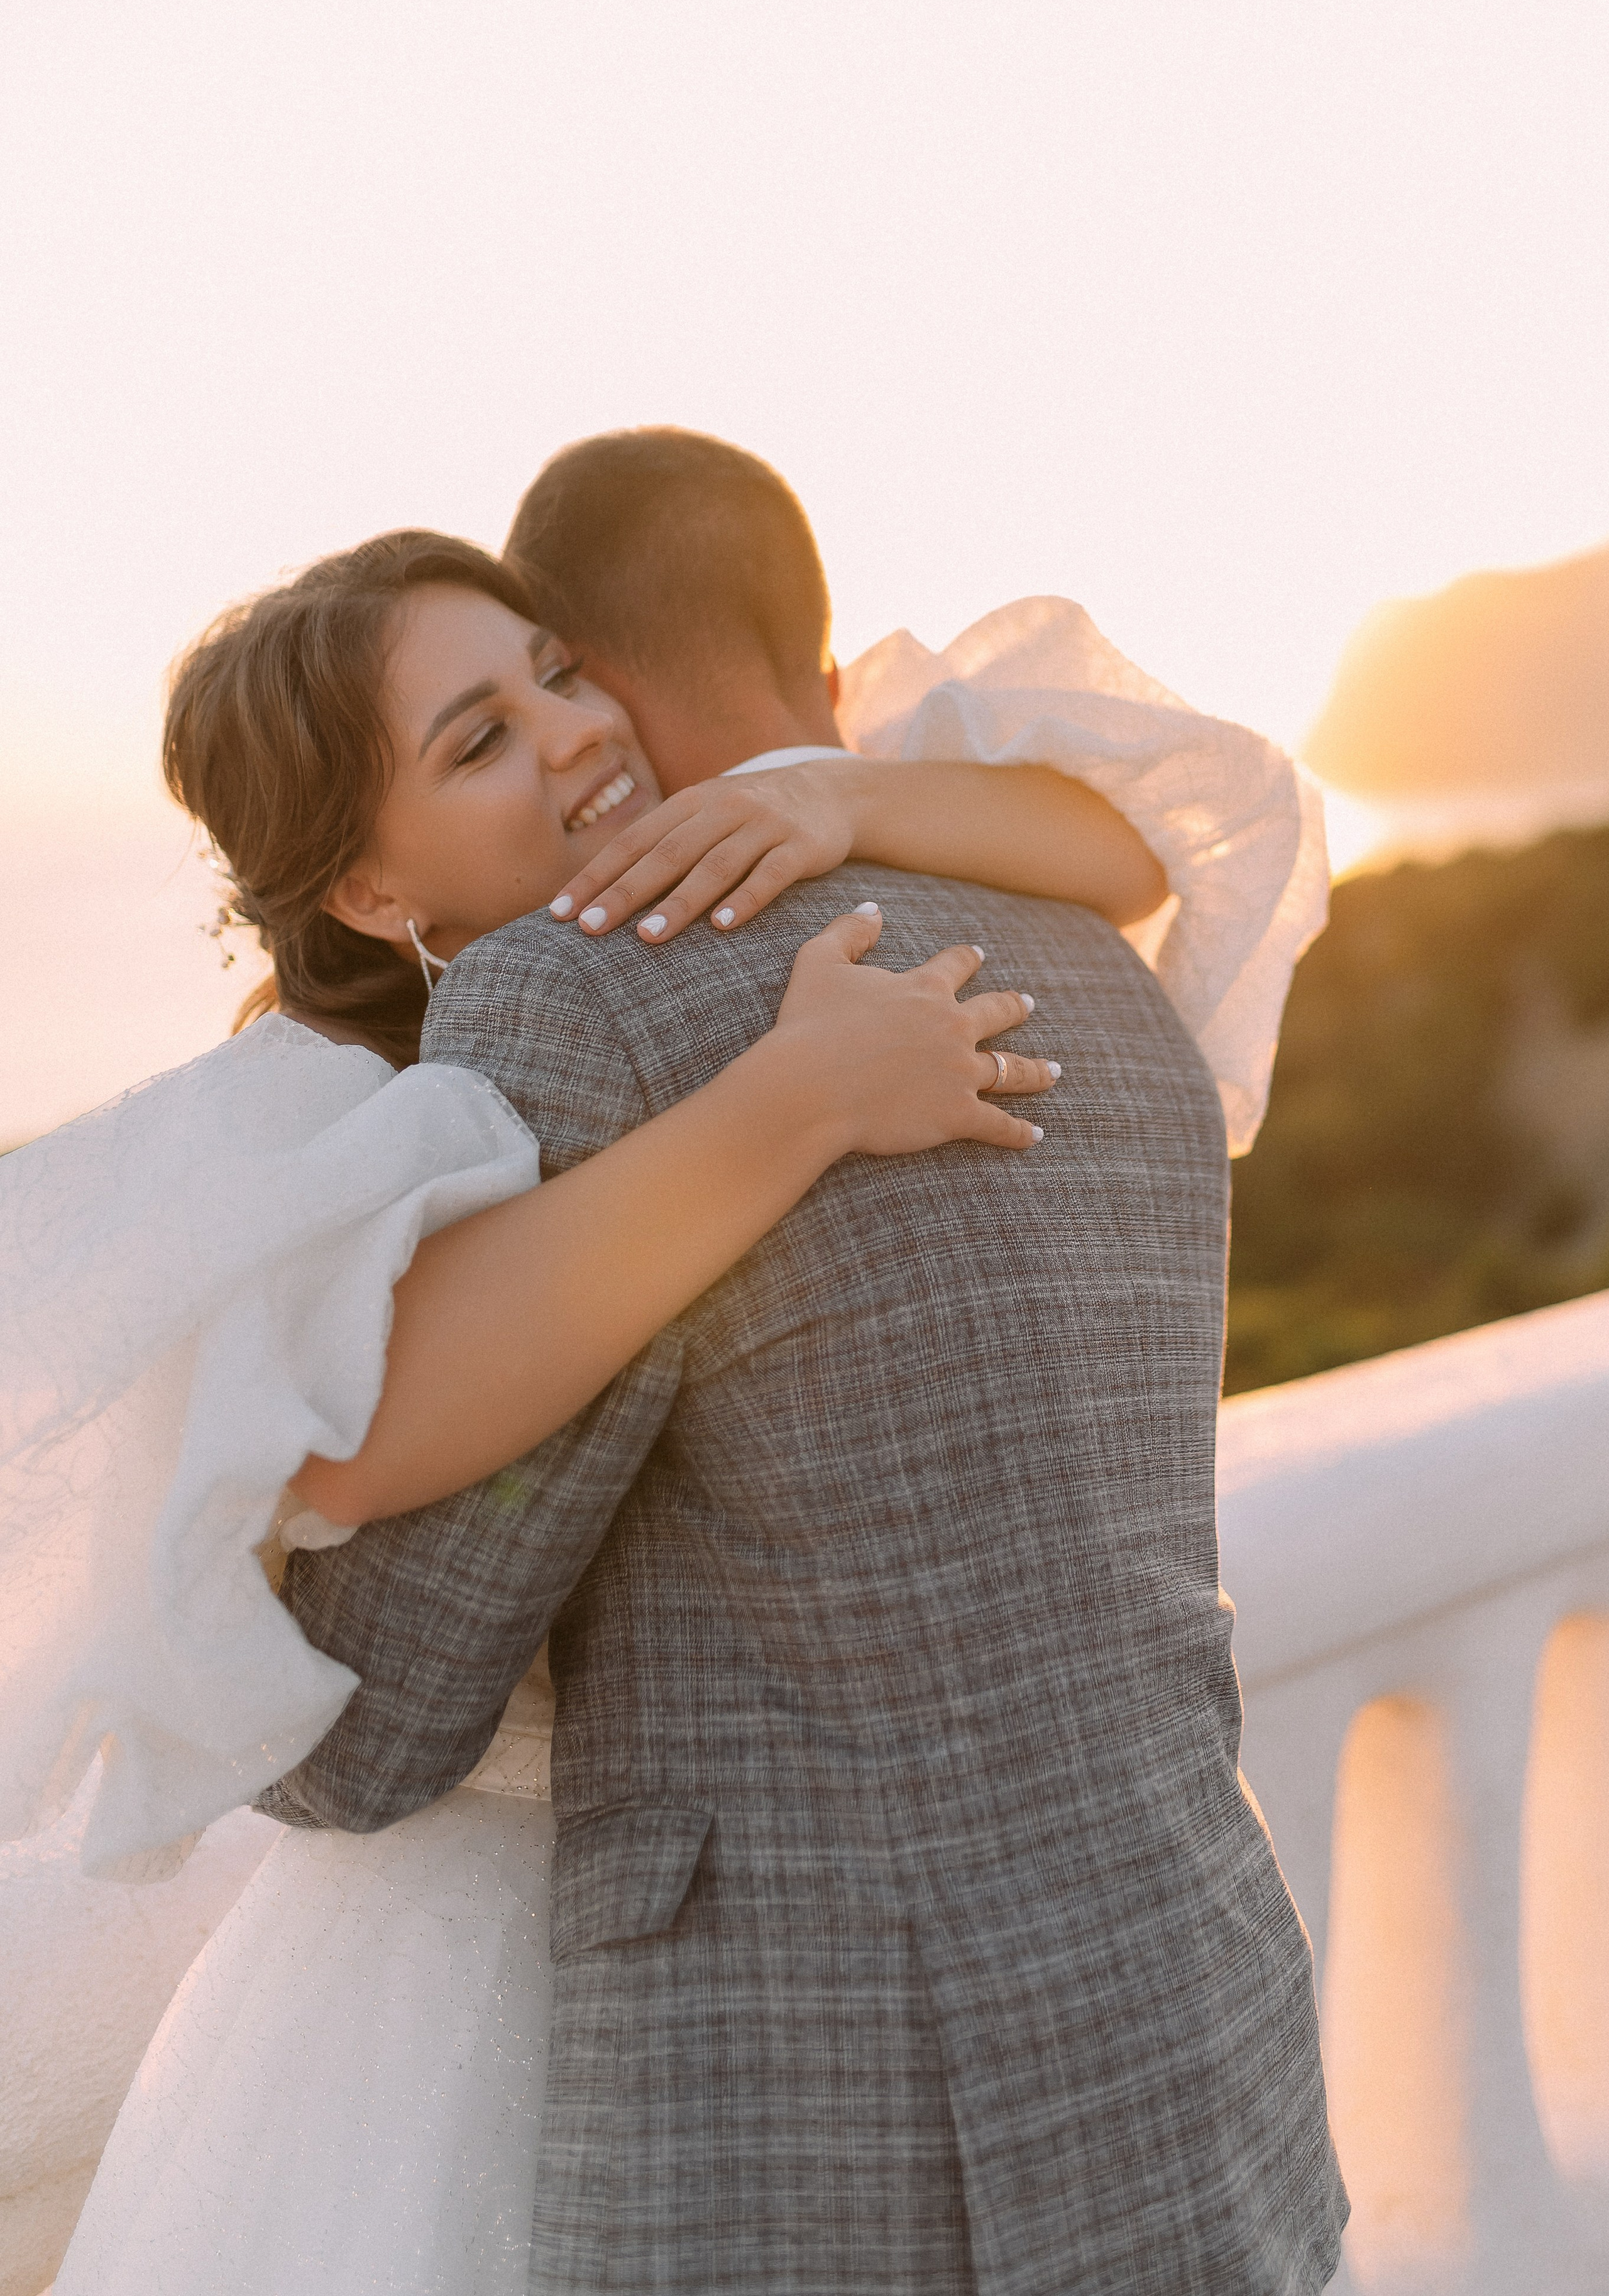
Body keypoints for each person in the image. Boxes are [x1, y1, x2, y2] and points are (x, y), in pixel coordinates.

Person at [5, 514, 1190, 2295]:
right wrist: (790, 1100)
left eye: (556, 673)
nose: (574, 731)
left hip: (744, 1975)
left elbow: (1140, 831)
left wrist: (833, 800)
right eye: (480, 738)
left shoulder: (657, 955)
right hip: (596, 1952)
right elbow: (362, 1444)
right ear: (371, 893)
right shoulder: (378, 1125)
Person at [246, 432, 1346, 2293]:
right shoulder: (1114, 956)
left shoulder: (583, 984)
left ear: (595, 654)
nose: (567, 741)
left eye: (559, 684)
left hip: (835, 2145)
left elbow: (366, 1725)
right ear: (830, 679)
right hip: (1202, 2035)